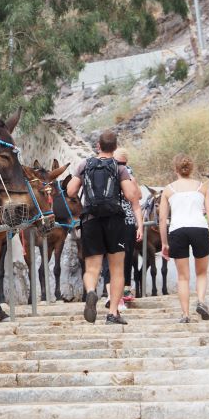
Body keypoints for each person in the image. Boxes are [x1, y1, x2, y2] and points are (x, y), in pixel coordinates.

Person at [67, 130, 143, 325]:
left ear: (98, 146)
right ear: (115, 147)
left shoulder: (84, 165)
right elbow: (130, 195)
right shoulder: (119, 168)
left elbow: (71, 190)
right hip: (114, 221)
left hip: (91, 220)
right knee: (117, 269)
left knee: (92, 268)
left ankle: (91, 292)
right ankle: (113, 313)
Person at [159, 153, 209, 323]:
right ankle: (200, 301)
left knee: (183, 277)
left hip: (178, 231)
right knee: (201, 273)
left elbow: (163, 219)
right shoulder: (202, 187)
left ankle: (185, 315)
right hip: (199, 229)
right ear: (191, 168)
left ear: (175, 169)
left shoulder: (169, 190)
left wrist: (164, 242)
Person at [114, 147, 139, 302]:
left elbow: (137, 197)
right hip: (117, 219)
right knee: (120, 255)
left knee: (127, 255)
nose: (121, 165)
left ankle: (125, 289)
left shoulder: (128, 173)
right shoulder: (111, 172)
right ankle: (118, 290)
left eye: (123, 163)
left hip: (125, 218)